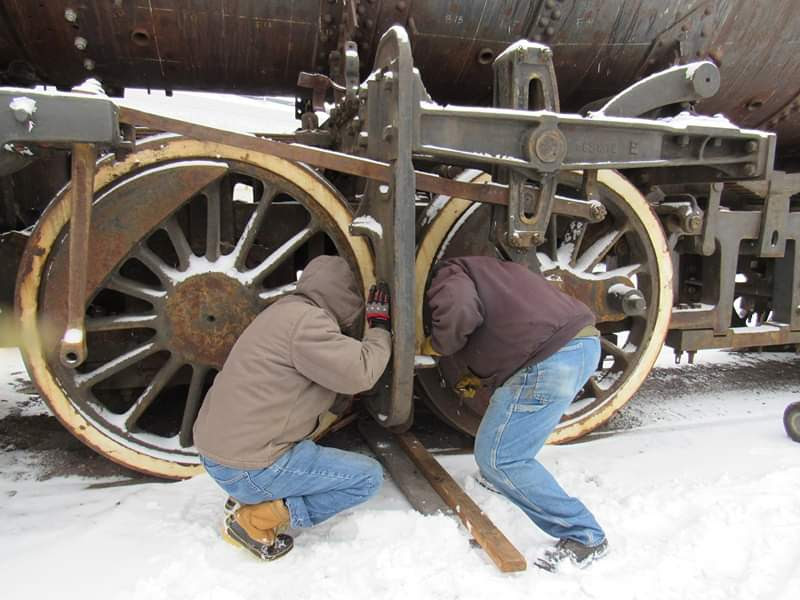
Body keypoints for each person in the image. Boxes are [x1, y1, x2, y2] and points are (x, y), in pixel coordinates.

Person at [193, 255, 392, 561]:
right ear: (343, 294)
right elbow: (361, 372)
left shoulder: (284, 312)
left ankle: (250, 496)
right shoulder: (308, 324)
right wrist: (379, 328)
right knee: (366, 478)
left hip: (221, 456)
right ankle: (256, 520)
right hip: (247, 467)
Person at [423, 255, 607, 571]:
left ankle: (584, 535)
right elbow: (511, 326)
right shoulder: (493, 270)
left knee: (500, 458)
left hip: (549, 359)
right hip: (583, 343)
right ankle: (507, 482)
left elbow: (460, 310)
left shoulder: (447, 272)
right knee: (512, 438)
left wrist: (436, 344)